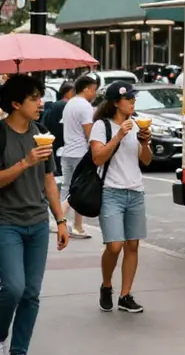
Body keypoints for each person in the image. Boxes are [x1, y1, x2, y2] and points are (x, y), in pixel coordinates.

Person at [0, 74, 69, 355]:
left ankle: (19, 353)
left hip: (38, 224)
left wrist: (61, 220)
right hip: (6, 223)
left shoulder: (42, 133)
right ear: (16, 103)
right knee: (13, 288)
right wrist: (25, 162)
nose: (41, 103)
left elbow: (49, 182)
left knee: (31, 292)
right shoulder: (0, 135)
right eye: (34, 98)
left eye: (40, 97)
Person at [90, 81, 152, 314]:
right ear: (116, 102)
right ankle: (107, 285)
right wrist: (118, 136)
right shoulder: (101, 126)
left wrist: (144, 142)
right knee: (114, 246)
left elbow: (146, 160)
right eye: (129, 99)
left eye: (134, 99)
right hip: (111, 191)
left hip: (135, 190)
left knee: (133, 245)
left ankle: (125, 295)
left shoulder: (137, 125)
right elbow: (97, 158)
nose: (133, 102)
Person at [59, 73, 99, 239]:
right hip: (80, 153)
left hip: (67, 151)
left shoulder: (69, 104)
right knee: (79, 190)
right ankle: (66, 221)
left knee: (67, 187)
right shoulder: (85, 106)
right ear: (86, 89)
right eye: (93, 90)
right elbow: (89, 132)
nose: (95, 94)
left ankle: (74, 225)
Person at [43, 81, 75, 177]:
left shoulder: (56, 105)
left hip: (55, 145)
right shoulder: (65, 105)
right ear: (69, 92)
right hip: (62, 147)